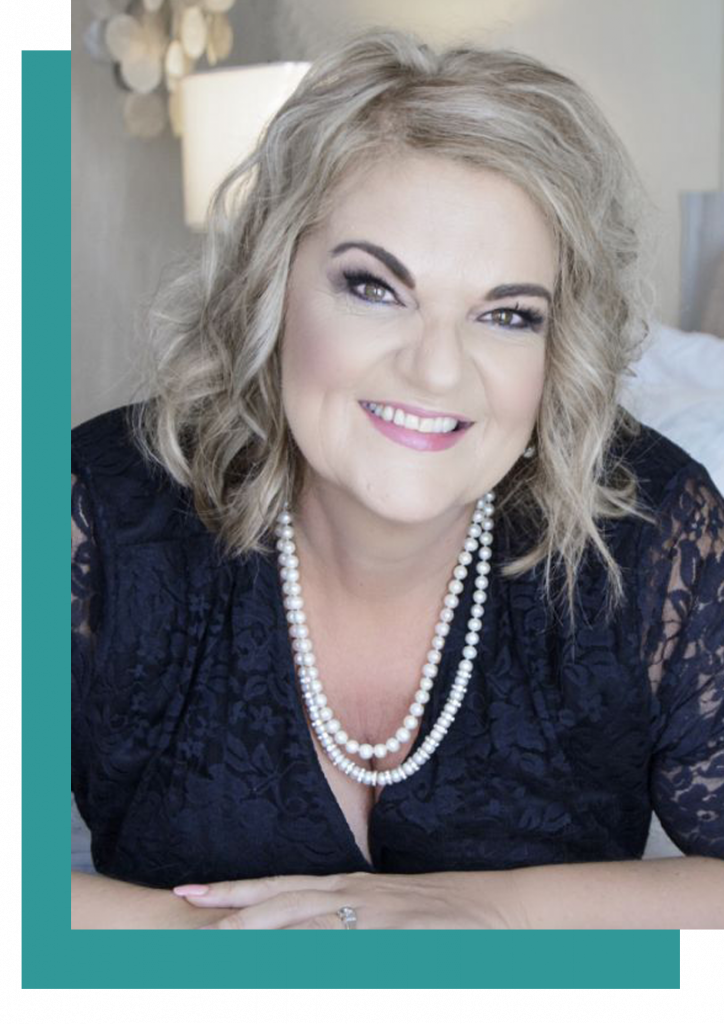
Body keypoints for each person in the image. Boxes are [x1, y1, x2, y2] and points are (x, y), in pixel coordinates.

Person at [71, 27, 723, 930]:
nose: (437, 370)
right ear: (271, 288)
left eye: (507, 314)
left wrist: (483, 911)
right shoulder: (100, 507)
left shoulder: (657, 532)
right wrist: (217, 939)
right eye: (375, 288)